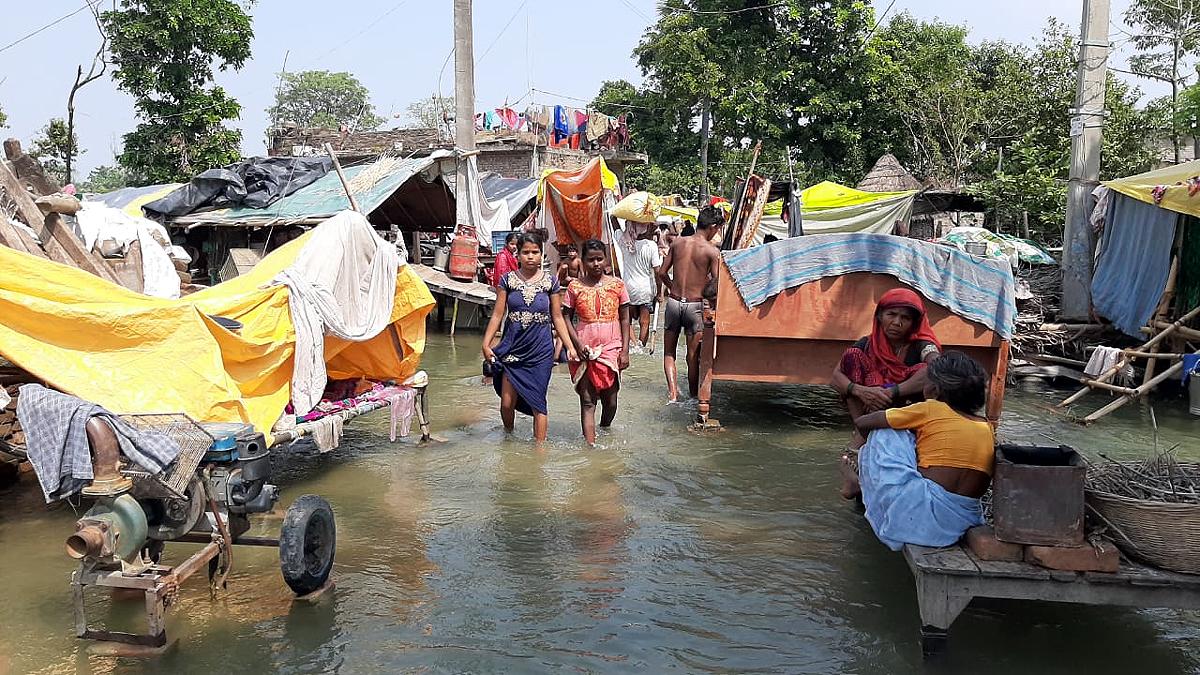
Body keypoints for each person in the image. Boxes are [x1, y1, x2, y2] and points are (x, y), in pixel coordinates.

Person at [842, 351, 994, 550]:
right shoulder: (986, 426)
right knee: (913, 434)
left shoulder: (931, 408)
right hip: (959, 523)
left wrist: (856, 448)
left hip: (920, 517)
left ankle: (857, 482)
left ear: (934, 389)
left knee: (887, 431)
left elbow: (863, 423)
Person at [482, 233, 577, 441]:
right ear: (518, 254)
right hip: (512, 348)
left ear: (541, 254)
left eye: (535, 252)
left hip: (540, 350)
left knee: (538, 403)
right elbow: (498, 314)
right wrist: (486, 343)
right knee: (507, 403)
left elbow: (557, 317)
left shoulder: (550, 282)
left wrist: (569, 346)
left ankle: (539, 453)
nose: (530, 257)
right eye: (526, 252)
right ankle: (508, 438)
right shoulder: (507, 280)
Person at [830, 288, 941, 446]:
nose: (897, 322)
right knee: (851, 356)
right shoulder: (868, 343)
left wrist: (890, 392)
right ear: (879, 316)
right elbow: (836, 377)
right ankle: (862, 430)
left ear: (913, 323)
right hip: (869, 406)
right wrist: (863, 392)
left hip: (904, 407)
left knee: (931, 370)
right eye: (891, 314)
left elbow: (935, 363)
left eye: (905, 318)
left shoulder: (920, 344)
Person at [562, 240, 632, 445]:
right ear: (582, 261)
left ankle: (605, 428)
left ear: (606, 260)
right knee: (587, 400)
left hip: (612, 347)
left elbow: (625, 318)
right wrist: (576, 344)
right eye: (590, 259)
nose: (595, 264)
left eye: (599, 259)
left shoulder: (617, 285)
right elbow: (565, 316)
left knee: (611, 400)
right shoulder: (575, 287)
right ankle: (590, 447)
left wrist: (625, 350)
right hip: (584, 348)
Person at [657, 205, 725, 403]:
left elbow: (662, 273)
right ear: (712, 227)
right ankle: (694, 397)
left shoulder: (678, 243)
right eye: (718, 229)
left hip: (674, 304)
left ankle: (672, 394)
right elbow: (716, 284)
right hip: (695, 307)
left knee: (669, 352)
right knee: (693, 357)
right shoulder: (711, 252)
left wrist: (672, 289)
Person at [622, 226, 663, 351]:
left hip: (627, 288)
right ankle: (641, 346)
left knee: (626, 321)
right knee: (644, 322)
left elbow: (616, 228)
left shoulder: (624, 242)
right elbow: (657, 271)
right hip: (646, 289)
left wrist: (614, 217)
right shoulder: (651, 246)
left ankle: (633, 345)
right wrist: (660, 292)